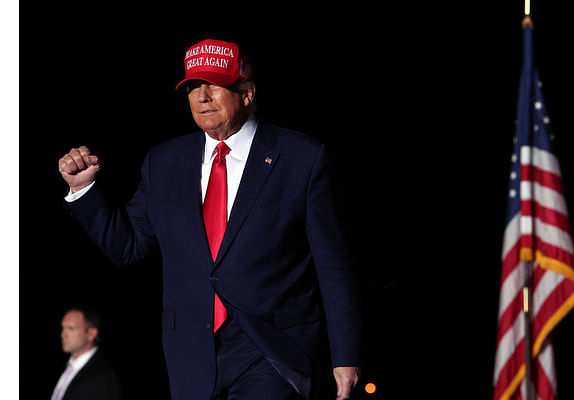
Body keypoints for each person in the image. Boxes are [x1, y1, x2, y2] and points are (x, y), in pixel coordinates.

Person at [58, 38, 362, 400]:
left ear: (246, 93)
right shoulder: (163, 162)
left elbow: (332, 266)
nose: (201, 96)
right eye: (192, 87)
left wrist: (346, 354)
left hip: (271, 349)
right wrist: (84, 191)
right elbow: (129, 248)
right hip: (191, 350)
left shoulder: (302, 158)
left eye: (214, 85)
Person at [51, 307, 122, 400]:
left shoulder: (103, 377)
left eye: (70, 328)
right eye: (63, 328)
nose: (63, 334)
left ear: (91, 334)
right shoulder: (67, 367)